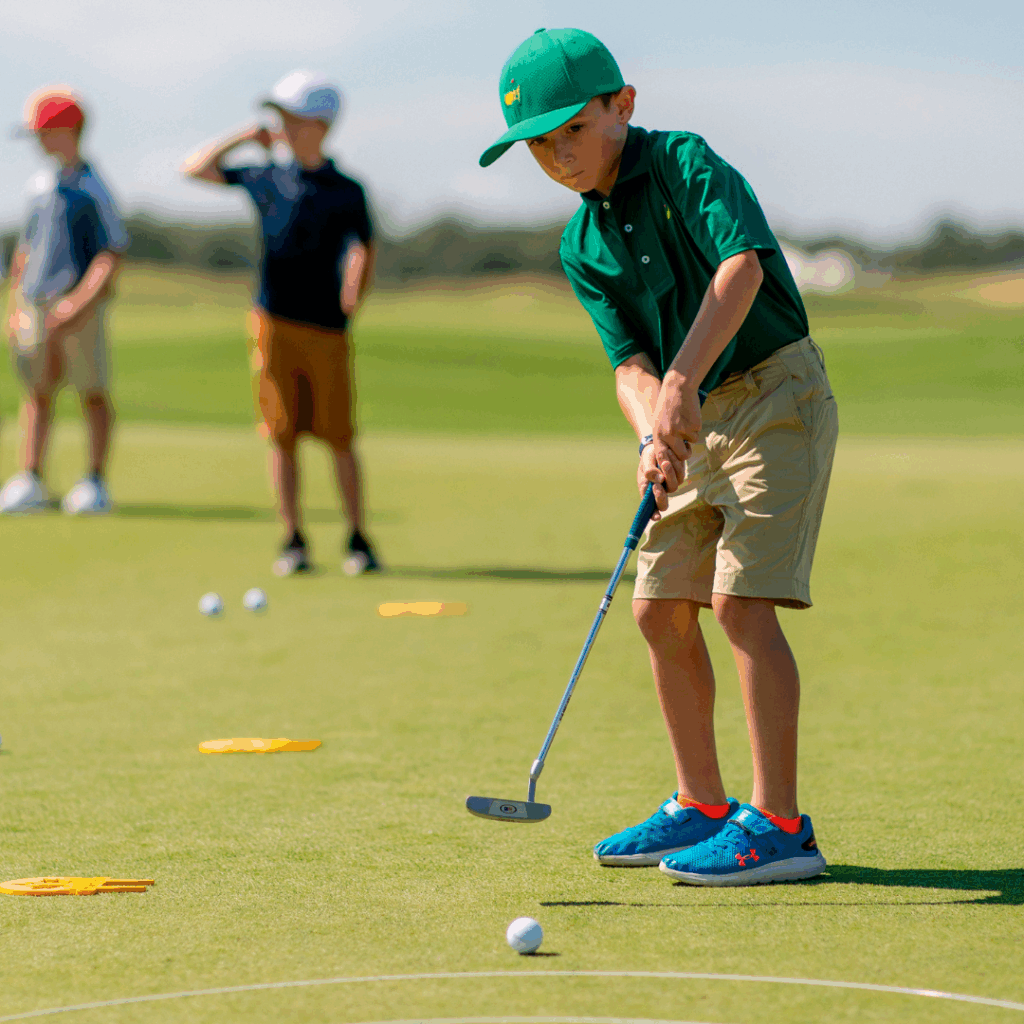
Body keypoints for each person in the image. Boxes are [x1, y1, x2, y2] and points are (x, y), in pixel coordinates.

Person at [480, 29, 838, 885]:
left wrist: (680, 382)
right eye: (537, 144)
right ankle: (700, 804)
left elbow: (741, 270)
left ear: (623, 106)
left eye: (571, 129)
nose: (556, 154)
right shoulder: (581, 244)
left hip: (774, 393)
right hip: (686, 419)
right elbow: (628, 366)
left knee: (740, 603)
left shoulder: (684, 162)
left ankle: (781, 826)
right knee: (657, 606)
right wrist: (653, 429)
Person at [182, 70, 380, 576]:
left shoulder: (346, 189)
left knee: (339, 437)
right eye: (280, 119)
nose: (283, 127)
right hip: (271, 322)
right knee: (281, 435)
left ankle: (358, 538)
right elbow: (196, 168)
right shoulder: (266, 175)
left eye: (293, 119)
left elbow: (361, 245)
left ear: (321, 124)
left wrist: (354, 287)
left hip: (327, 327)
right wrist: (244, 138)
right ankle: (292, 539)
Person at [1, 87, 127, 515]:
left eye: (43, 131)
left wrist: (79, 302)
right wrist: (15, 304)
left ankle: (94, 481)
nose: (38, 141)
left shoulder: (93, 185)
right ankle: (30, 477)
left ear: (66, 130)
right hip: (35, 303)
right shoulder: (39, 185)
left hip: (78, 308)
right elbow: (25, 249)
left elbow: (111, 253)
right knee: (36, 391)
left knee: (91, 392)